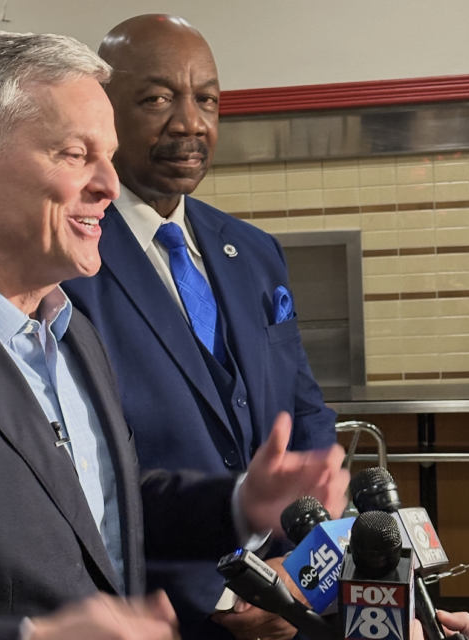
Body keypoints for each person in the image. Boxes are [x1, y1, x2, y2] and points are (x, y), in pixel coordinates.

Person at [0, 29, 351, 640]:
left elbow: (94, 503)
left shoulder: (69, 332)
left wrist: (237, 506)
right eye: (73, 154)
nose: (109, 186)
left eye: (108, 157)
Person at [59, 14, 339, 640]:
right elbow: (81, 478)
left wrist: (301, 572)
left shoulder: (254, 251)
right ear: (103, 115)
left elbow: (308, 415)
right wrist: (219, 599)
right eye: (158, 98)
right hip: (158, 612)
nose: (189, 122)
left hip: (292, 597)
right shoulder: (65, 267)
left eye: (206, 99)